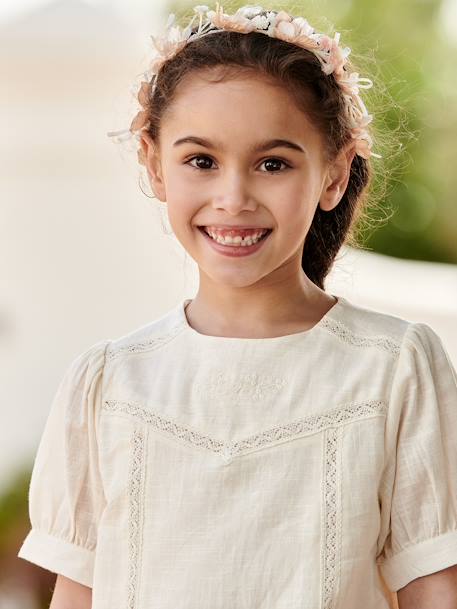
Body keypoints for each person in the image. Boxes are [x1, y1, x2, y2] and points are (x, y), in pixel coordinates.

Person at [17, 3, 457, 608]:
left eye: (272, 163)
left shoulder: (395, 367)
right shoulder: (107, 382)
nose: (233, 197)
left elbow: (435, 587)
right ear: (155, 164)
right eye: (201, 161)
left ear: (333, 173)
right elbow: (77, 594)